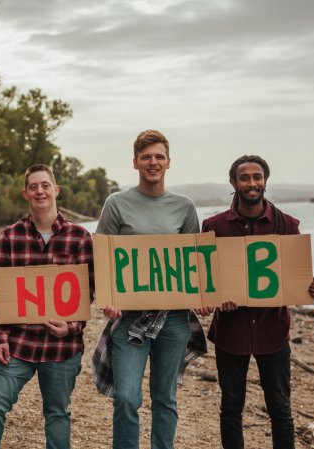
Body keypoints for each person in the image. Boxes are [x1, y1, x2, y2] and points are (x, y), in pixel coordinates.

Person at [91, 129, 208, 449]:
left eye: (159, 156)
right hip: (129, 318)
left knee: (165, 399)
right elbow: (101, 258)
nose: (152, 162)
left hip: (173, 319)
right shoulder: (116, 204)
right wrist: (108, 299)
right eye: (146, 157)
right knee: (127, 398)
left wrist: (203, 297)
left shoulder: (184, 207)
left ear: (169, 162)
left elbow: (193, 265)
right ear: (135, 162)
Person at [202, 155, 314, 449]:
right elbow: (205, 282)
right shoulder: (213, 226)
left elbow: (294, 276)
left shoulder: (287, 224)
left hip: (274, 331)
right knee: (231, 407)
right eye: (245, 178)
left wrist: (310, 287)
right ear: (234, 183)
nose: (252, 183)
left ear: (265, 181)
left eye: (257, 177)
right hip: (231, 332)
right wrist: (218, 299)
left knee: (280, 408)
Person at [0, 164, 94, 449]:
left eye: (45, 185)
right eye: (33, 186)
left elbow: (87, 291)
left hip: (61, 347)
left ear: (56, 190)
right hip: (18, 343)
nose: (39, 191)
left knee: (57, 414)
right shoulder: (10, 236)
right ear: (25, 193)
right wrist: (1, 338)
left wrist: (71, 327)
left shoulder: (79, 237)